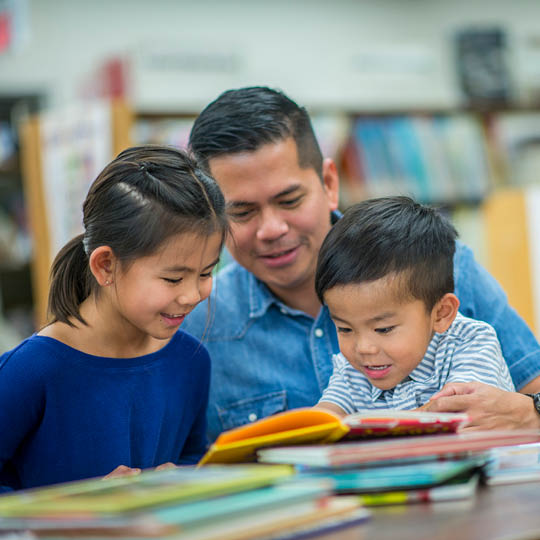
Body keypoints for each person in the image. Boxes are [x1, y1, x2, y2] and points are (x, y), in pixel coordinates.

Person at [183, 86, 540, 440]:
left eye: (290, 200)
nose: (272, 229)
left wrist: (529, 412)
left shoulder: (444, 265)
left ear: (329, 183)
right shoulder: (197, 321)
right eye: (242, 212)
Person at [0, 146, 228, 491]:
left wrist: (183, 479)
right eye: (173, 278)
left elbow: (192, 455)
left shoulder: (192, 361)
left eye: (206, 273)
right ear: (106, 265)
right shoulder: (32, 370)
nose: (192, 295)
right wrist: (76, 510)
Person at [314, 196, 514, 416]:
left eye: (384, 329)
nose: (363, 348)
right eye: (345, 329)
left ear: (441, 314)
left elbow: (457, 412)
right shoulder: (351, 368)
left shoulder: (471, 343)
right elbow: (326, 415)